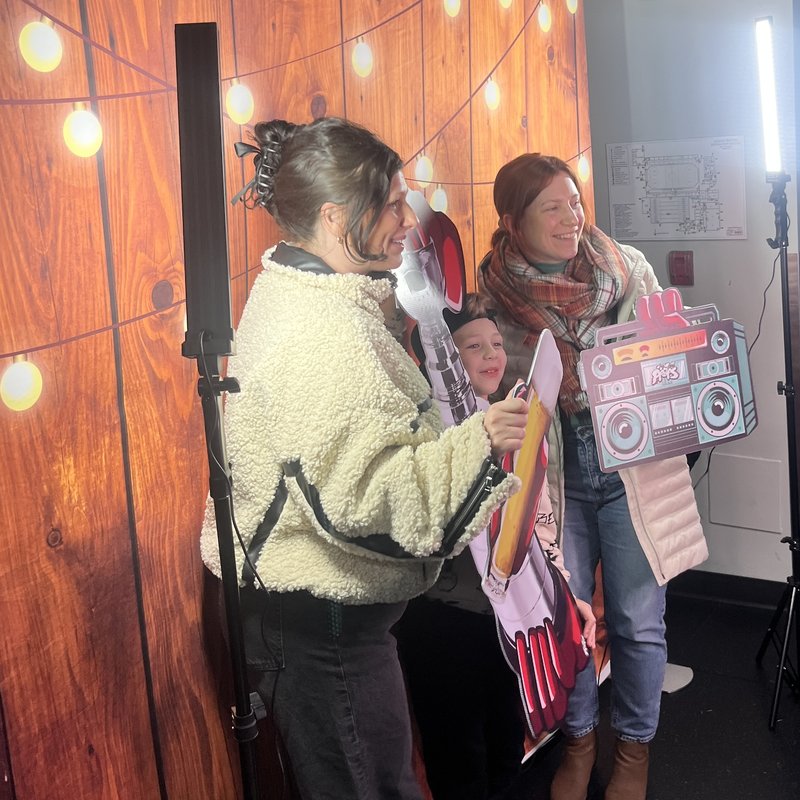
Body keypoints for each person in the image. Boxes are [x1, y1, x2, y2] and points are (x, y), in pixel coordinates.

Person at [199, 116, 529, 800]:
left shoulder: (320, 299)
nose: (407, 220)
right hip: (321, 636)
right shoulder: (318, 334)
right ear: (331, 215)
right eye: (389, 204)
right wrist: (484, 439)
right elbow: (365, 498)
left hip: (334, 629)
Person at [476, 153, 707, 800]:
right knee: (568, 621)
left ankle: (633, 751)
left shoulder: (625, 268)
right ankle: (578, 744)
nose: (570, 217)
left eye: (574, 203)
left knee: (638, 617)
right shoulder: (489, 298)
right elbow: (485, 393)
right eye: (551, 206)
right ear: (512, 221)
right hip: (554, 480)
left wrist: (666, 347)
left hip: (630, 469)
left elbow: (668, 355)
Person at [396, 295, 596, 800]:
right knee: (459, 763)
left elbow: (540, 524)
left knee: (507, 751)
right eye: (472, 346)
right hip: (442, 624)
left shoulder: (521, 421)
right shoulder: (427, 436)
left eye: (495, 344)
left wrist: (566, 596)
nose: (491, 355)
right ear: (440, 357)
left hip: (507, 624)